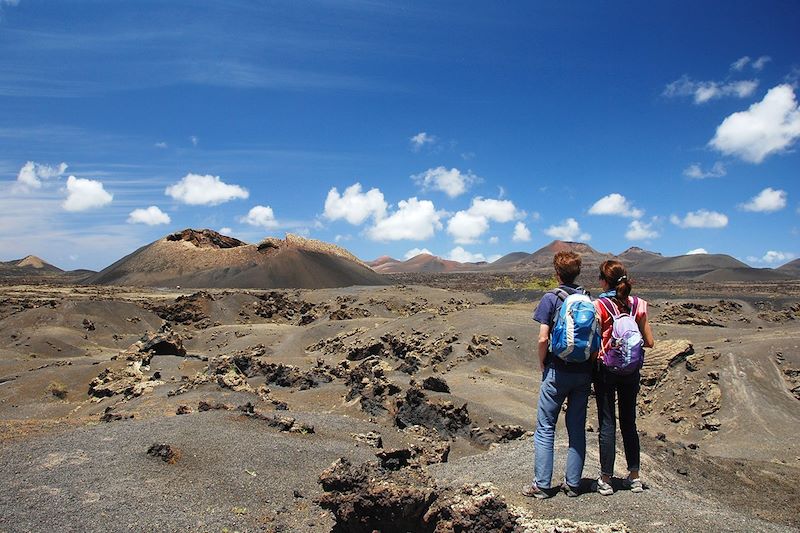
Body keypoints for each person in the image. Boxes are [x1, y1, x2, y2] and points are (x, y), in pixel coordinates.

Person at [522, 251, 595, 498]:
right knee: (576, 428)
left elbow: (543, 337)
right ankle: (573, 485)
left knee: (545, 428)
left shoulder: (551, 298)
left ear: (557, 273)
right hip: (583, 373)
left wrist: (542, 363)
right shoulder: (587, 298)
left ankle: (542, 486)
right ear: (577, 272)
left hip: (557, 371)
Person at [592, 260, 654, 496]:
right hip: (631, 372)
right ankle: (634, 477)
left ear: (603, 280)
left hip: (606, 370)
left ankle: (606, 479)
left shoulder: (600, 305)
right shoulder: (638, 304)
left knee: (607, 423)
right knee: (629, 422)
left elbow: (594, 340)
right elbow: (649, 341)